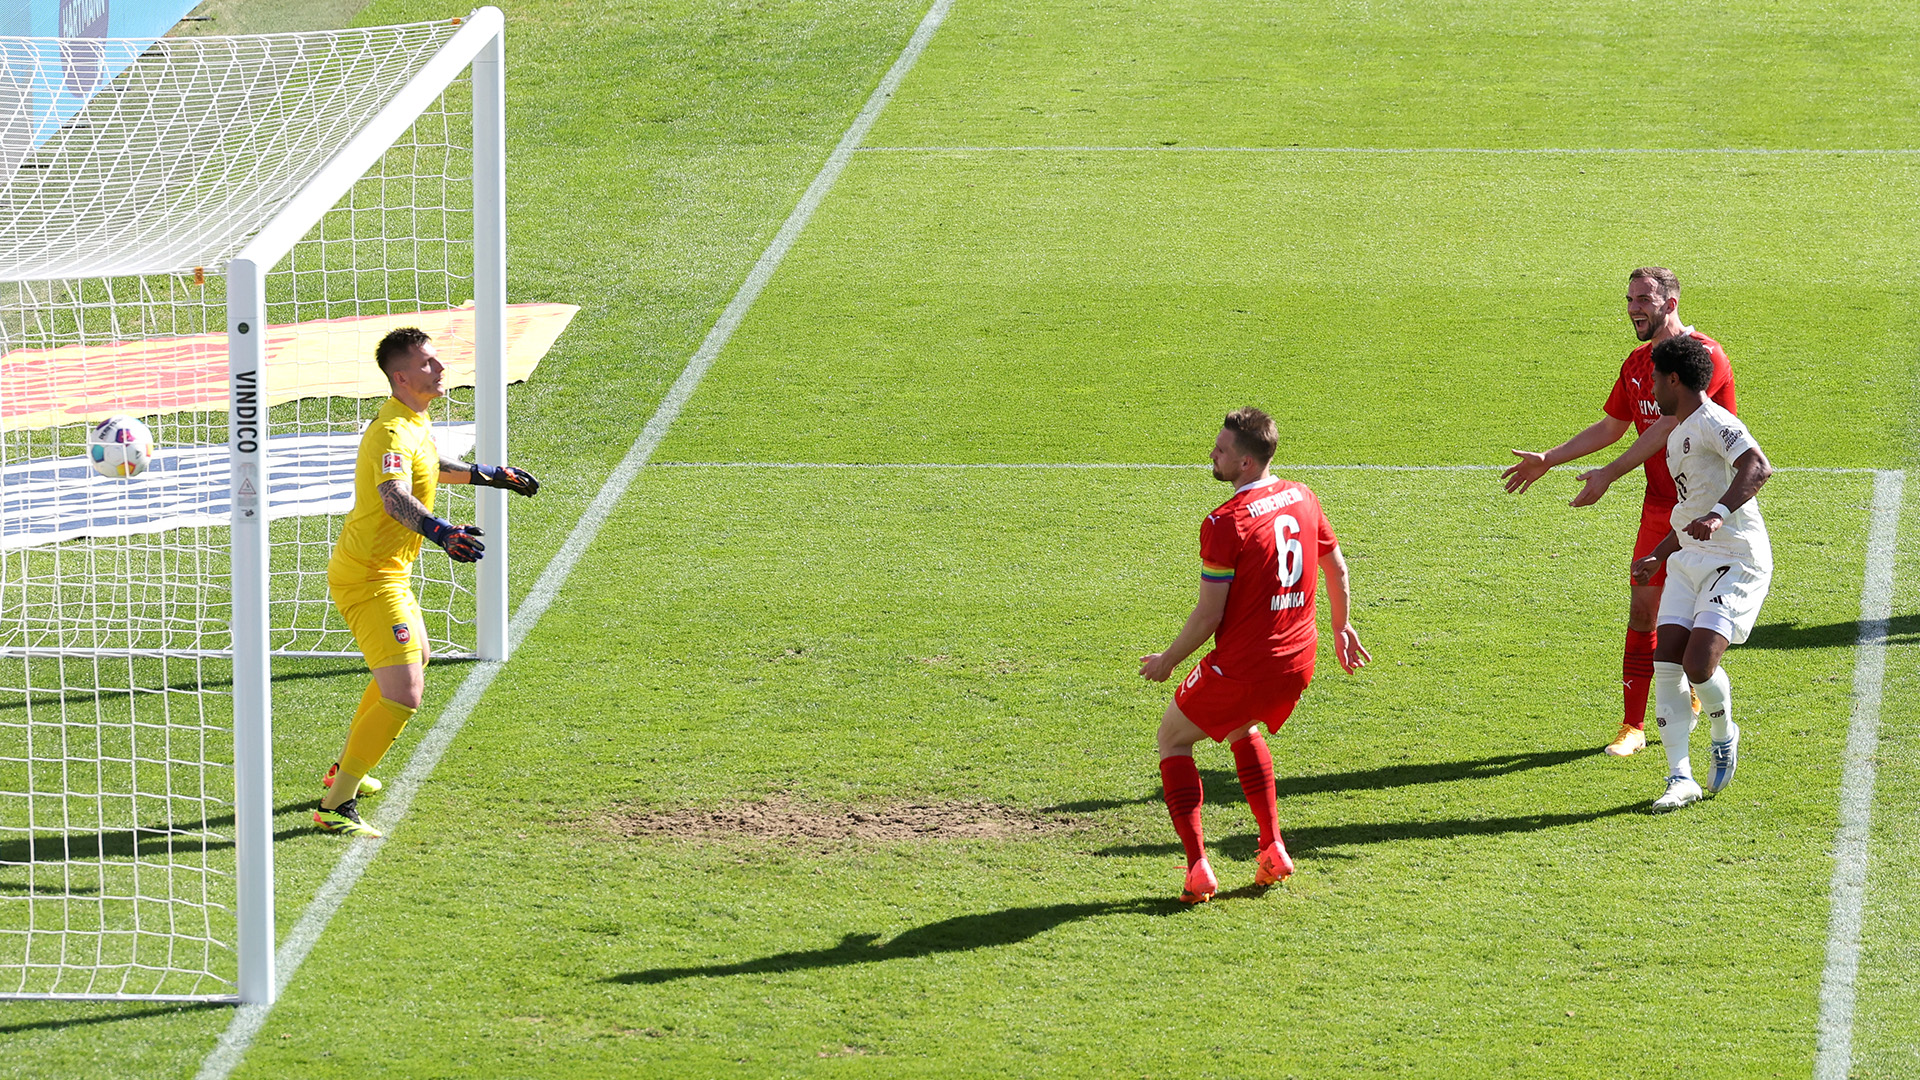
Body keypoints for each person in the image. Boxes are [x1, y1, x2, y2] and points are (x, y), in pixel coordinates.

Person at [314, 327, 541, 837]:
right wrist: (443, 532)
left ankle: (347, 767)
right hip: (369, 576)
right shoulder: (390, 432)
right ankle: (335, 805)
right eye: (428, 363)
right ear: (401, 376)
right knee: (404, 691)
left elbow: (429, 468)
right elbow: (393, 493)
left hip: (388, 571)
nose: (440, 369)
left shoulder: (414, 420)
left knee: (416, 661)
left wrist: (489, 475)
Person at [1502, 267, 1736, 757]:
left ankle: (1703, 706)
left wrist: (1609, 473)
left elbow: (1671, 425)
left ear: (1671, 302)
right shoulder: (1635, 364)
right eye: (1630, 299)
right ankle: (1633, 725)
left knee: (1695, 619)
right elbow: (1614, 425)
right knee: (1644, 608)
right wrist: (1549, 458)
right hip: (1659, 509)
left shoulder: (1703, 358)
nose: (1634, 308)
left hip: (1710, 510)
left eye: (1644, 299)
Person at [1140, 407, 1370, 903]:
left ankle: (1198, 866)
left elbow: (1207, 617)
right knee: (1242, 724)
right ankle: (1272, 848)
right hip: (1297, 662)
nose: (1212, 455)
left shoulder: (1225, 522)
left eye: (1220, 450)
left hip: (1245, 667)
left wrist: (1168, 661)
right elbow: (1339, 569)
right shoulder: (1303, 497)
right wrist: (1341, 626)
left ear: (1245, 463)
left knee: (1173, 738)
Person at [1629, 334, 1772, 812]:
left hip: (1734, 558)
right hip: (1687, 559)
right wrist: (1660, 552)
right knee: (1666, 660)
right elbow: (1688, 510)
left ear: (1674, 380)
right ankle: (1679, 777)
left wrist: (1718, 514)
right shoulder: (1677, 433)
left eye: (1654, 378)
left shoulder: (1715, 421)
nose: (1651, 387)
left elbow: (1758, 465)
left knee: (1697, 664)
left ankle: (1722, 729)